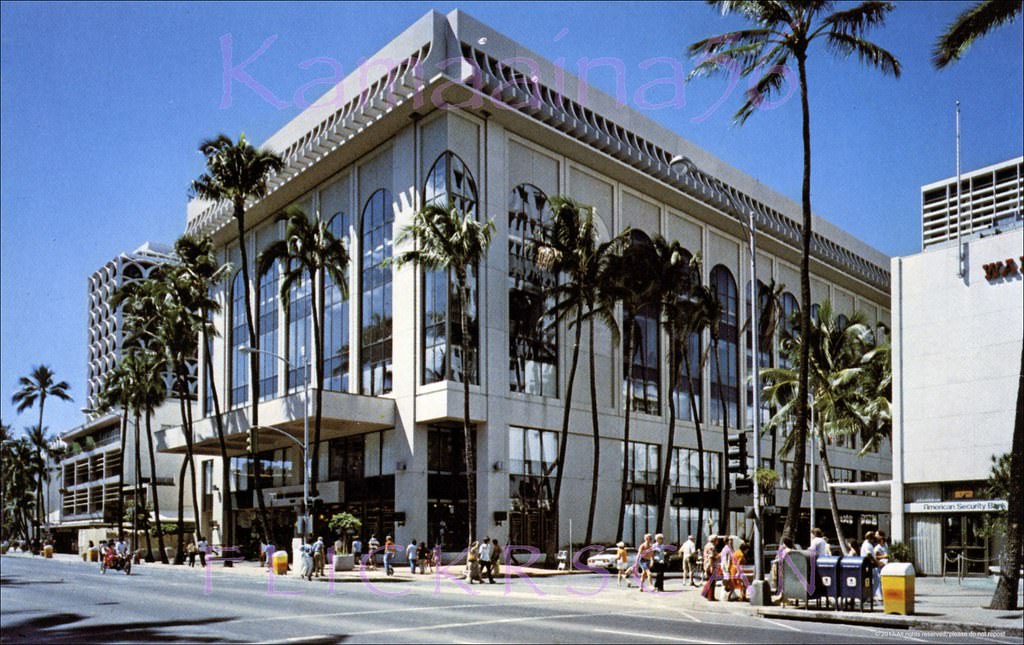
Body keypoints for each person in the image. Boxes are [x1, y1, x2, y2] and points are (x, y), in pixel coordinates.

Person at [701, 536, 720, 601]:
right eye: (717, 539)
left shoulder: (707, 545)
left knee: (710, 580)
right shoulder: (712, 547)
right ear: (714, 540)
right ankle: (710, 596)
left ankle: (705, 593)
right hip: (710, 565)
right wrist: (712, 567)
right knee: (712, 581)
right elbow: (711, 557)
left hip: (707, 564)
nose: (718, 541)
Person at [873, 531, 889, 601]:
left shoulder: (885, 545)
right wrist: (884, 556)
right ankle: (878, 594)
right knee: (878, 579)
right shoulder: (877, 547)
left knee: (883, 580)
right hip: (880, 564)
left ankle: (883, 594)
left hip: (885, 564)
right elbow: (876, 556)